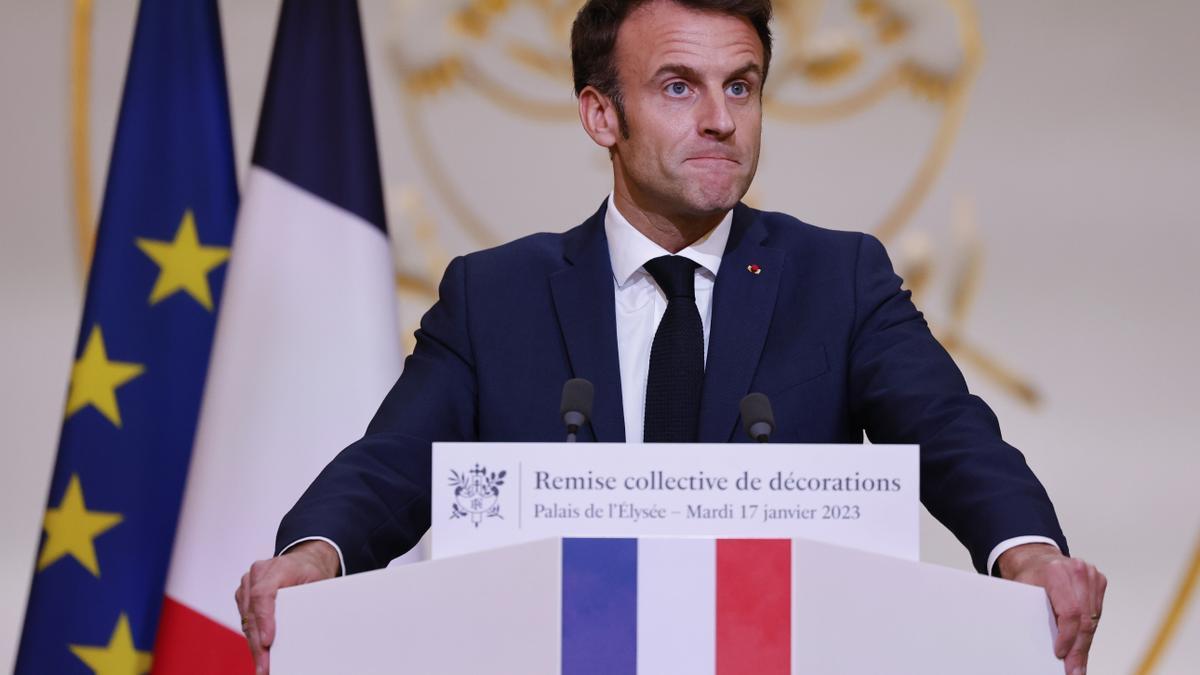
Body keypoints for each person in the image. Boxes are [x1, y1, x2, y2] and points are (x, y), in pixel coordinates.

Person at [235, 1, 1106, 673]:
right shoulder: (495, 295)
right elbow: (393, 463)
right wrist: (314, 555)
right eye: (679, 87)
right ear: (600, 116)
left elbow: (951, 433)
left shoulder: (838, 280)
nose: (721, 118)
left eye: (742, 85)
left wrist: (1027, 550)